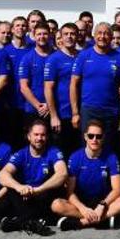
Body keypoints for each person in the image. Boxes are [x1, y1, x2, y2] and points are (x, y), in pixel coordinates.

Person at [51, 120, 120, 230]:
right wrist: (83, 209)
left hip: (103, 202)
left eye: (98, 136)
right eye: (91, 136)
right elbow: (70, 192)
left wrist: (102, 205)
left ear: (103, 138)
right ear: (85, 137)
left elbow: (117, 190)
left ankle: (81, 223)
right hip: (82, 203)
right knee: (56, 205)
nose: (94, 140)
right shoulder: (75, 157)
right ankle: (102, 220)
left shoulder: (111, 156)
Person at [0, 119, 67, 236]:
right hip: (26, 197)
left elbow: (62, 174)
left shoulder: (53, 151)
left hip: (44, 195)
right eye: (36, 135)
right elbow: (1, 175)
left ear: (47, 137)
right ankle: (32, 222)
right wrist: (19, 187)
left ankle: (17, 223)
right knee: (11, 189)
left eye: (43, 135)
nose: (39, 138)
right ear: (29, 137)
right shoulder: (21, 154)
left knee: (53, 187)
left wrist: (39, 190)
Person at [71, 23, 120, 150]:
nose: (102, 36)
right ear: (94, 35)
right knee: (87, 147)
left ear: (111, 37)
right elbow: (73, 84)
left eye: (106, 34)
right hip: (89, 109)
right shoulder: (84, 55)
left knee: (108, 147)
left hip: (111, 111)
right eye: (99, 33)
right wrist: (75, 113)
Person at [44, 23, 81, 157]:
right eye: (66, 34)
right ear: (61, 37)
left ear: (77, 36)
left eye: (72, 34)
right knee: (62, 154)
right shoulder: (54, 59)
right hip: (62, 115)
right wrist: (53, 116)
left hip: (82, 113)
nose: (69, 37)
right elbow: (48, 88)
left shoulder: (82, 56)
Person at [3, 16, 32, 148]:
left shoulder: (33, 50)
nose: (20, 28)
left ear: (27, 28)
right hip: (10, 102)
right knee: (11, 138)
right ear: (13, 29)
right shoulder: (4, 51)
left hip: (28, 103)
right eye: (17, 25)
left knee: (28, 138)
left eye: (23, 25)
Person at [19, 22, 53, 130]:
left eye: (45, 34)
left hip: (53, 109)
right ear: (34, 35)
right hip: (32, 109)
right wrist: (38, 106)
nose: (42, 37)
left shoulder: (56, 56)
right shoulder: (27, 58)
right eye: (39, 34)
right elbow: (24, 87)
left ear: (50, 35)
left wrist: (49, 105)